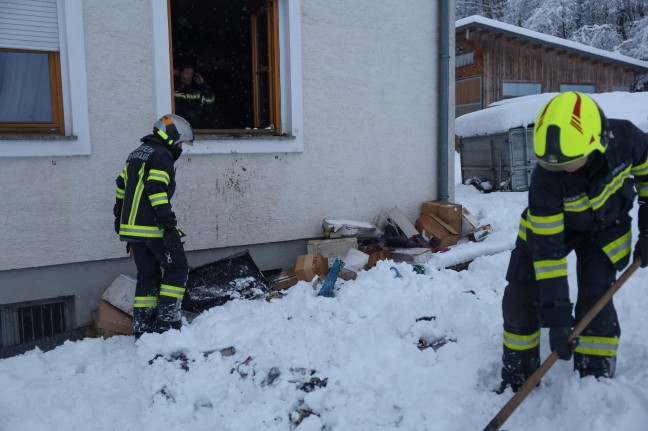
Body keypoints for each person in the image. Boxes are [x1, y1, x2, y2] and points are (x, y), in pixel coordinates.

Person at [498, 91, 648, 392]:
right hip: (551, 231)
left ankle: (594, 376)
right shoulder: (545, 180)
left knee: (596, 297)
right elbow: (548, 254)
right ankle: (520, 372)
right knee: (521, 295)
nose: (561, 169)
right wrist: (557, 318)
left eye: (570, 161)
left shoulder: (627, 140)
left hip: (606, 227)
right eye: (553, 164)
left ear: (596, 142)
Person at [113, 114, 194, 338]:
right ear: (170, 138)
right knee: (177, 268)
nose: (180, 148)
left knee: (147, 276)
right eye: (180, 143)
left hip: (131, 228)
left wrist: (119, 217)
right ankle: (167, 324)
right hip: (151, 228)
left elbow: (121, 186)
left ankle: (144, 327)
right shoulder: (161, 155)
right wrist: (168, 225)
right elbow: (156, 190)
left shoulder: (137, 153)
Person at [174, 64, 215, 129]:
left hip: (195, 132)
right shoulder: (172, 89)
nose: (189, 76)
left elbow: (210, 101)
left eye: (191, 74)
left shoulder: (195, 91)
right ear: (179, 74)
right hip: (177, 131)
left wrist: (203, 84)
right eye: (186, 73)